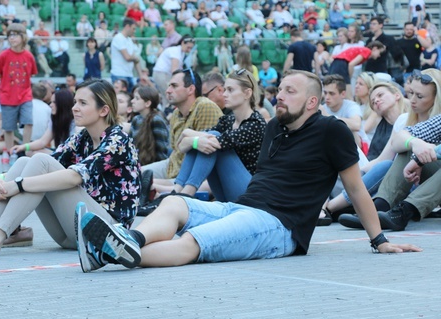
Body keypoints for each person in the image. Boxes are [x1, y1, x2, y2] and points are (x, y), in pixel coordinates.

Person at [74, 70, 421, 273]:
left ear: (312, 102)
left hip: (279, 226)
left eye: (289, 91)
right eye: (280, 89)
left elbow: (357, 189)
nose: (278, 95)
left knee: (193, 243)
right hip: (243, 207)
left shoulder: (332, 131)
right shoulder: (274, 128)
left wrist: (379, 241)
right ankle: (128, 240)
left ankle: (108, 255)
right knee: (175, 206)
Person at [0, 79, 141, 259]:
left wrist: (17, 185)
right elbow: (43, 165)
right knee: (26, 162)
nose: (74, 107)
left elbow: (73, 177)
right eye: (75, 102)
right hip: (70, 234)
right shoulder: (82, 138)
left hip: (106, 234)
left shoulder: (118, 140)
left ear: (103, 110)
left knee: (39, 161)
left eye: (83, 103)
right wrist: (0, 178)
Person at [339, 69, 441, 231]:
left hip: (418, 187)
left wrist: (423, 157)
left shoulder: (403, 117)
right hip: (415, 182)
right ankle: (376, 210)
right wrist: (414, 144)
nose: (412, 100)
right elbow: (399, 141)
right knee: (405, 150)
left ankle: (403, 211)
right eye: (411, 93)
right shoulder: (418, 120)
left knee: (384, 165)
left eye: (419, 96)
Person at [171, 69, 266, 202]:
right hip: (227, 192)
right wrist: (194, 141)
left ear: (247, 93)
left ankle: (186, 194)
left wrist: (189, 136)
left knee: (211, 140)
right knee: (205, 141)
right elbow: (186, 145)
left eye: (230, 90)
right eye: (225, 89)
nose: (225, 94)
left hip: (250, 195)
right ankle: (177, 190)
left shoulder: (255, 123)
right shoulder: (228, 120)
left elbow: (211, 140)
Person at [324, 82, 409, 221]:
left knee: (385, 165)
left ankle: (329, 207)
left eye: (380, 95)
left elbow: (384, 161)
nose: (376, 100)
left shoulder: (407, 118)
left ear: (397, 95)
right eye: (373, 101)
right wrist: (357, 174)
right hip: (376, 175)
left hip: (402, 179)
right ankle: (326, 204)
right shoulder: (385, 125)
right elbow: (380, 158)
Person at [141, 69, 222, 182]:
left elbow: (205, 155)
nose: (168, 91)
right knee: (133, 174)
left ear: (190, 89)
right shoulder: (175, 113)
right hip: (172, 166)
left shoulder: (205, 106)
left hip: (190, 176)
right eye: (169, 86)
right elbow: (176, 150)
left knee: (142, 182)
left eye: (174, 86)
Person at [0, 23, 37, 151]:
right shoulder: (3, 55)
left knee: (29, 121)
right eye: (10, 35)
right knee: (8, 127)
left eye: (15, 35)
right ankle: (10, 152)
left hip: (25, 95)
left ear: (23, 37)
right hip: (7, 96)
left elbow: (32, 73)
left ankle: (25, 149)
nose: (12, 38)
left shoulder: (29, 56)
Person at [11, 89, 74, 156]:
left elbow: (72, 151)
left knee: (37, 154)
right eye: (51, 102)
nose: (50, 105)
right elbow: (43, 141)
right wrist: (23, 147)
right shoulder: (55, 119)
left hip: (69, 156)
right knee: (29, 151)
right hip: (59, 152)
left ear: (63, 104)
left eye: (54, 102)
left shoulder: (74, 123)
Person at [130, 86, 169, 166]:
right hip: (137, 163)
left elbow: (162, 152)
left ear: (147, 103)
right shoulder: (136, 120)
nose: (132, 101)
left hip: (153, 165)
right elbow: (131, 146)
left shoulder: (157, 120)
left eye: (137, 98)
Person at [152, 36, 195, 107]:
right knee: (169, 96)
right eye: (188, 47)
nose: (189, 50)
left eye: (191, 48)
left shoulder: (181, 53)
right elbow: (174, 70)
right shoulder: (175, 51)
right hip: (161, 74)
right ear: (182, 43)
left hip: (164, 74)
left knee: (167, 97)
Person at [110, 18, 142, 91]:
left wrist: (141, 76)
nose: (134, 31)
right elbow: (127, 57)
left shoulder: (129, 40)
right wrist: (136, 58)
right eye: (133, 29)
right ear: (127, 26)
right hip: (118, 74)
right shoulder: (118, 38)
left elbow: (134, 59)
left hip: (128, 74)